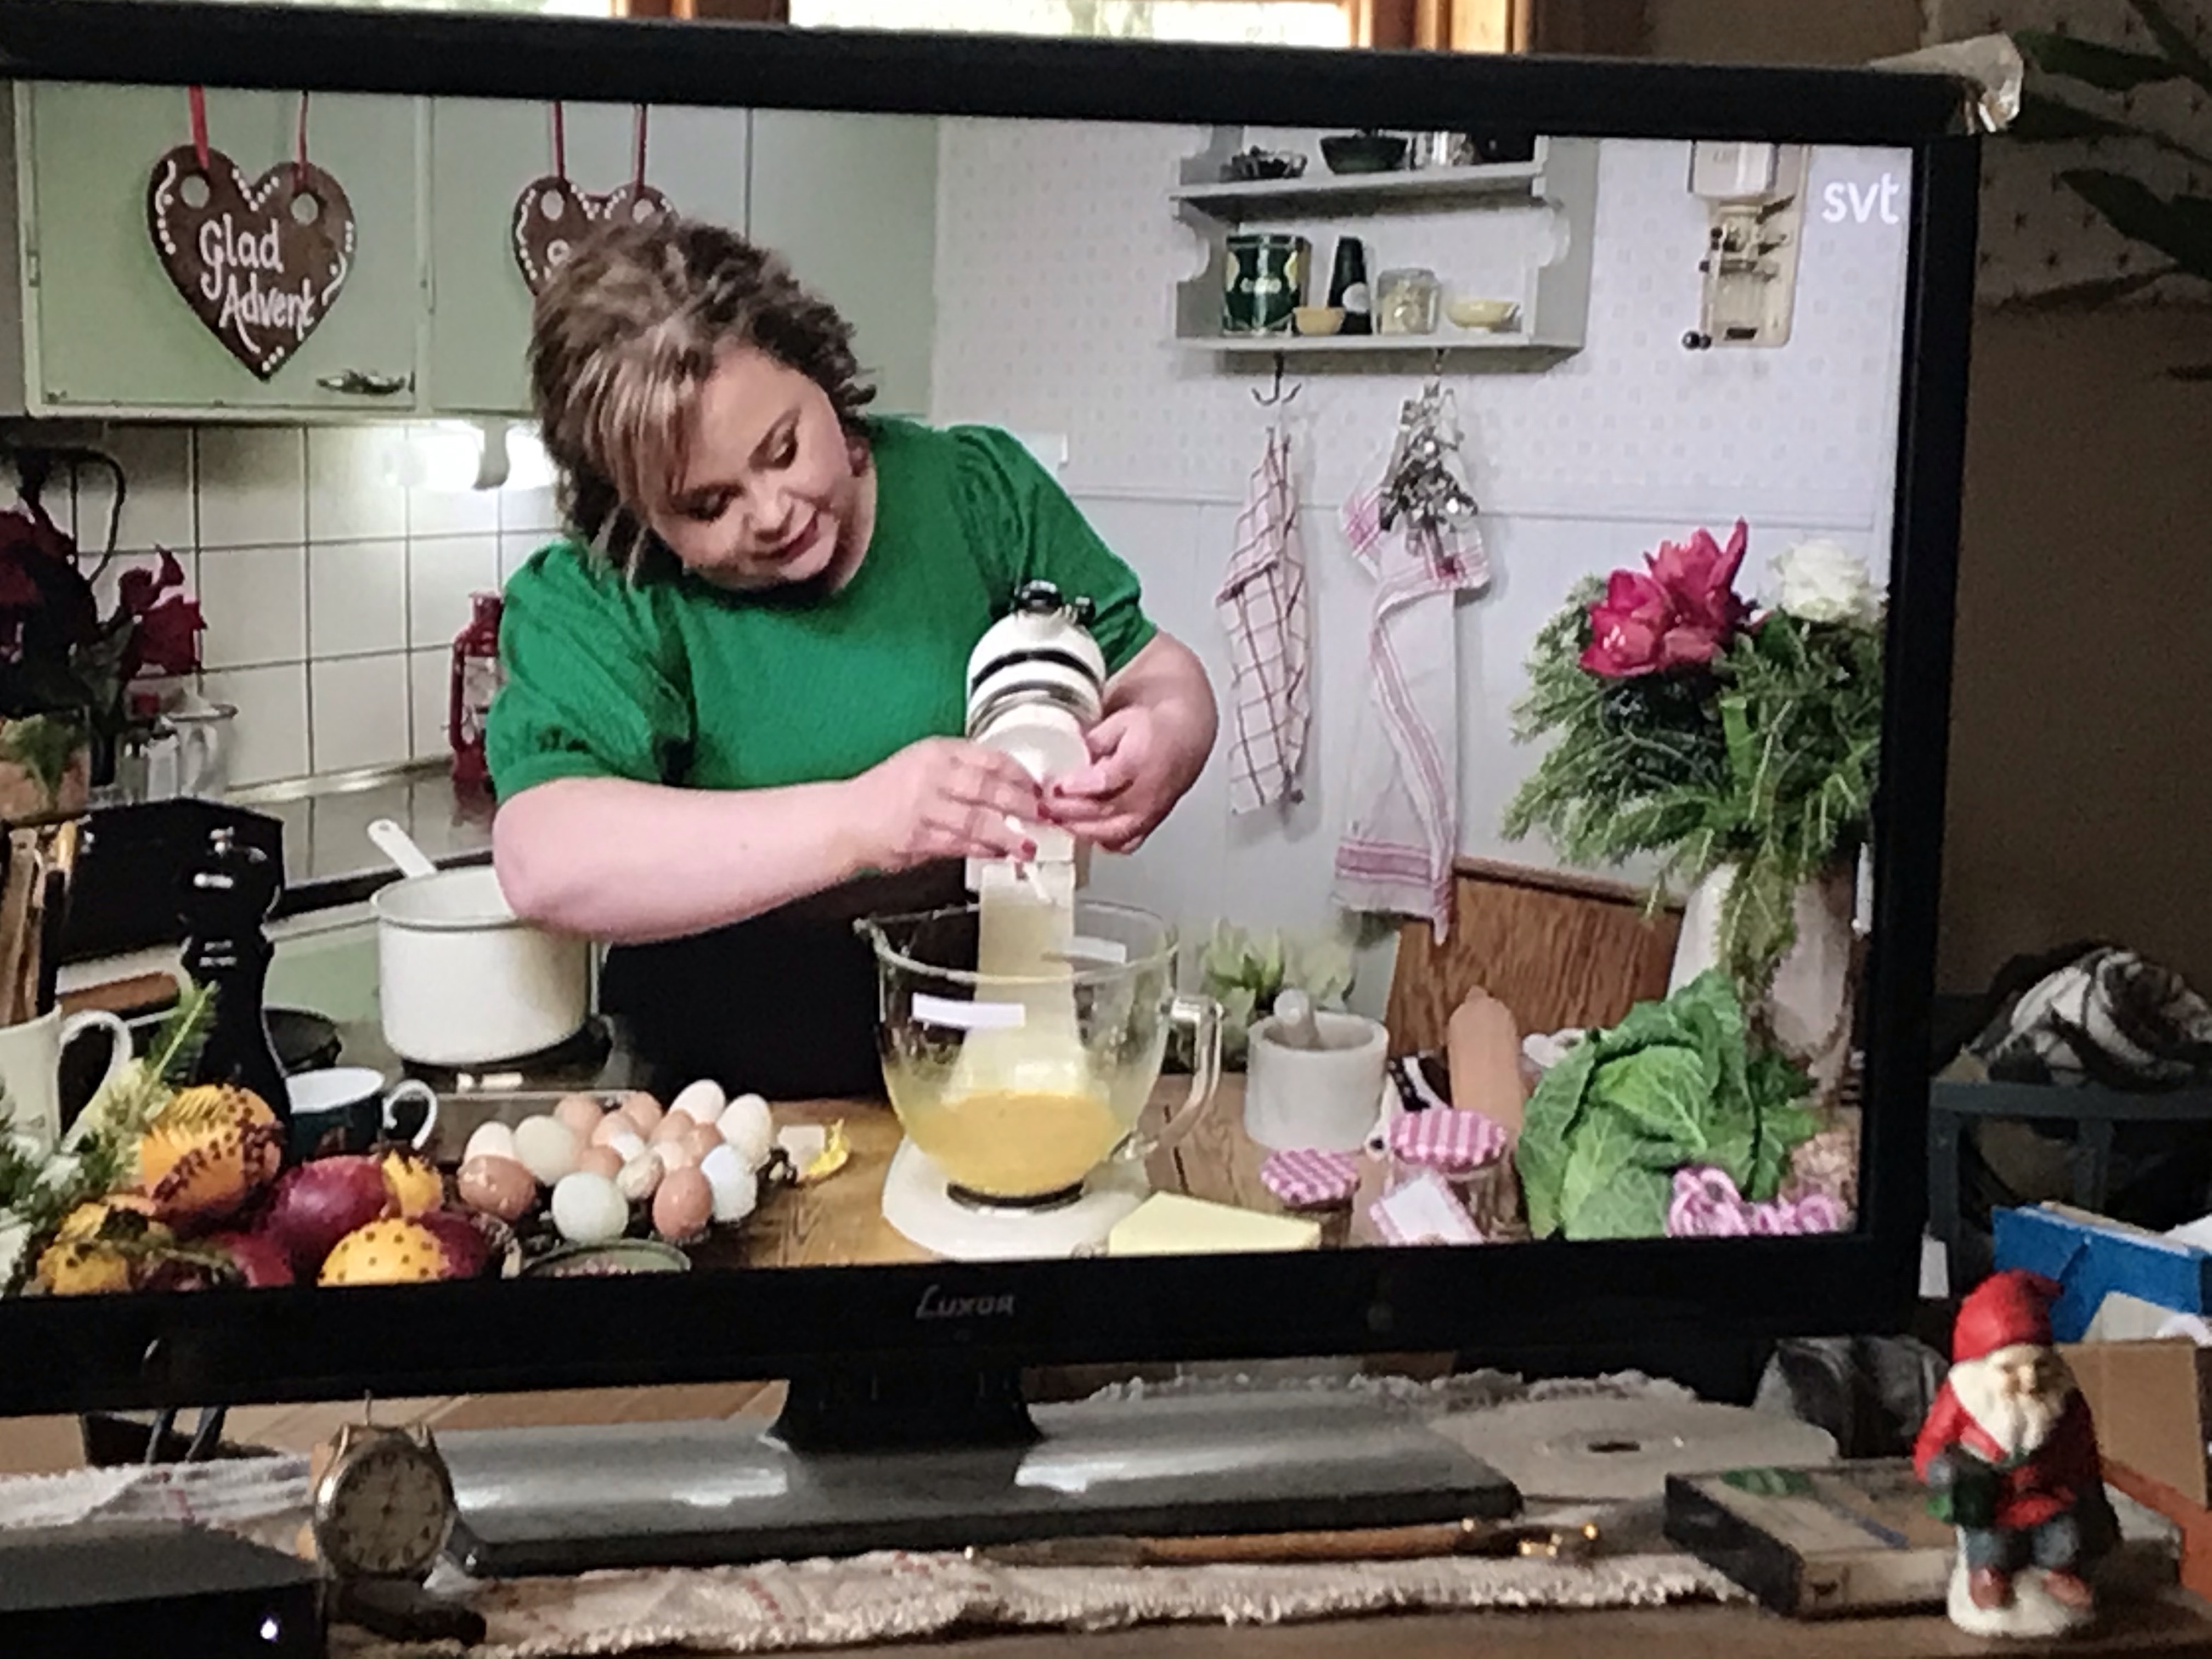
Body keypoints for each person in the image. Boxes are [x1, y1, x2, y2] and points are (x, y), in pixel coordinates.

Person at [486, 215, 1218, 1099]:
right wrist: (865, 820)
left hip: (985, 1053)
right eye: (707, 505)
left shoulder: (975, 492)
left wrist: (1167, 736)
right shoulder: (606, 594)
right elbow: (544, 860)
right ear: (633, 511)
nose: (772, 512)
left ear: (817, 368)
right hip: (709, 1101)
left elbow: (1157, 675)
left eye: (783, 449)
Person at [1912, 1269, 2114, 1621]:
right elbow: (1931, 1444)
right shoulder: (1965, 1398)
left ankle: (2058, 1572)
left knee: (2065, 1537)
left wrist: (2080, 1481)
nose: (2030, 1381)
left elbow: (2082, 1447)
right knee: (1991, 1543)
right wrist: (1942, 1470)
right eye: (2010, 1370)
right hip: (1991, 1500)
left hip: (2048, 1494)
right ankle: (1987, 1575)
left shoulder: (2063, 1400)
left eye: (2040, 1366)